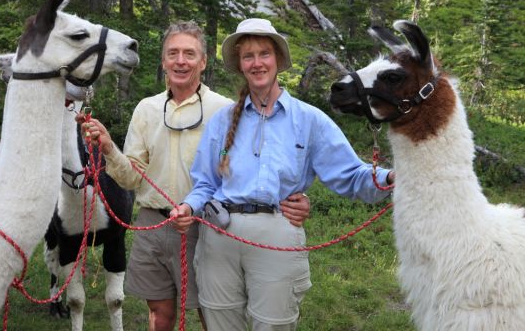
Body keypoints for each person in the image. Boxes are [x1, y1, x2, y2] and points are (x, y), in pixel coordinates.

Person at [80, 20, 310, 331]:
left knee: (211, 315)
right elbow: (133, 178)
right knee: (159, 315)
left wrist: (294, 198)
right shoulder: (146, 110)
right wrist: (108, 149)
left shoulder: (226, 110)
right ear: (163, 62)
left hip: (206, 226)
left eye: (189, 53)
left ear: (203, 62)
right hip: (153, 224)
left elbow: (257, 168)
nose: (180, 61)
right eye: (172, 53)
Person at [171, 18, 395, 331]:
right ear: (240, 64)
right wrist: (188, 207)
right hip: (218, 237)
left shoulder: (309, 120)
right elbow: (206, 183)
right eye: (248, 56)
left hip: (277, 234)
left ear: (278, 60)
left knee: (273, 325)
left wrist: (389, 179)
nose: (256, 63)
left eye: (264, 54)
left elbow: (352, 174)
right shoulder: (222, 121)